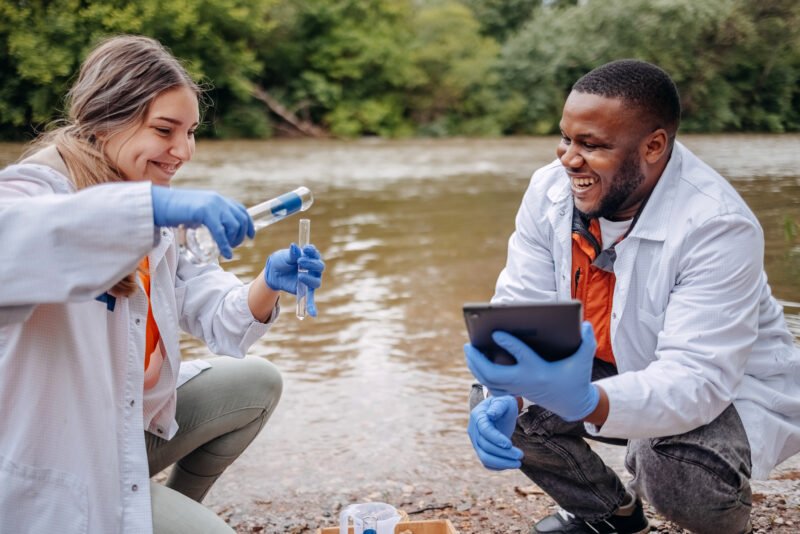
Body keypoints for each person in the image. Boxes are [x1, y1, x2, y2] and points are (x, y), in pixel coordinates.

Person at [0, 35, 325, 533]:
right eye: (165, 130)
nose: (183, 151)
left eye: (191, 131)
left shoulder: (153, 207)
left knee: (256, 382)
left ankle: (161, 512)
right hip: (59, 462)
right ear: (104, 118)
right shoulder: (40, 187)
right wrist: (152, 208)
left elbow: (216, 312)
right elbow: (17, 239)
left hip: (125, 428)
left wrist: (268, 281)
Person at [464, 59, 800, 534]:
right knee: (497, 391)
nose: (568, 159)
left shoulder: (718, 224)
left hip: (724, 389)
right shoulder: (549, 190)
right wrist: (506, 394)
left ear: (654, 146)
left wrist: (585, 400)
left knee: (666, 459)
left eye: (592, 145)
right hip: (612, 362)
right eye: (566, 138)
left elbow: (696, 380)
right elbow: (521, 310)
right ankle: (610, 514)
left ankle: (727, 526)